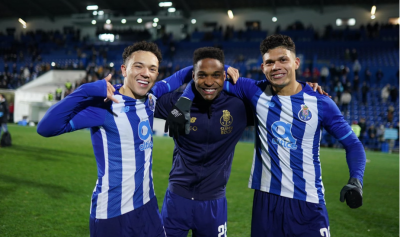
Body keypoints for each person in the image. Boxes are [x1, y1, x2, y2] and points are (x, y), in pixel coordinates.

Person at [173, 34, 366, 237]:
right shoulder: (254, 91)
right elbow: (205, 76)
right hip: (265, 202)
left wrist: (356, 180)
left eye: (283, 60)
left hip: (307, 202)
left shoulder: (320, 102)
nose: (276, 67)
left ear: (296, 62)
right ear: (263, 67)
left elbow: (353, 145)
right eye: (269, 62)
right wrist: (225, 68)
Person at [37, 41, 195, 237]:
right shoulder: (104, 106)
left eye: (152, 69)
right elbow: (46, 128)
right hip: (113, 215)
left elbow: (181, 76)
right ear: (124, 69)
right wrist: (85, 90)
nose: (146, 73)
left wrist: (220, 66)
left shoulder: (152, 97)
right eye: (138, 66)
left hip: (148, 207)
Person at [155, 47, 253, 236]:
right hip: (177, 199)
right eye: (202, 75)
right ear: (193, 76)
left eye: (216, 75)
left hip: (213, 204)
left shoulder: (239, 106)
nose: (209, 82)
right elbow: (141, 95)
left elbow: (278, 96)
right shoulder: (175, 103)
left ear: (224, 76)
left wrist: (307, 88)